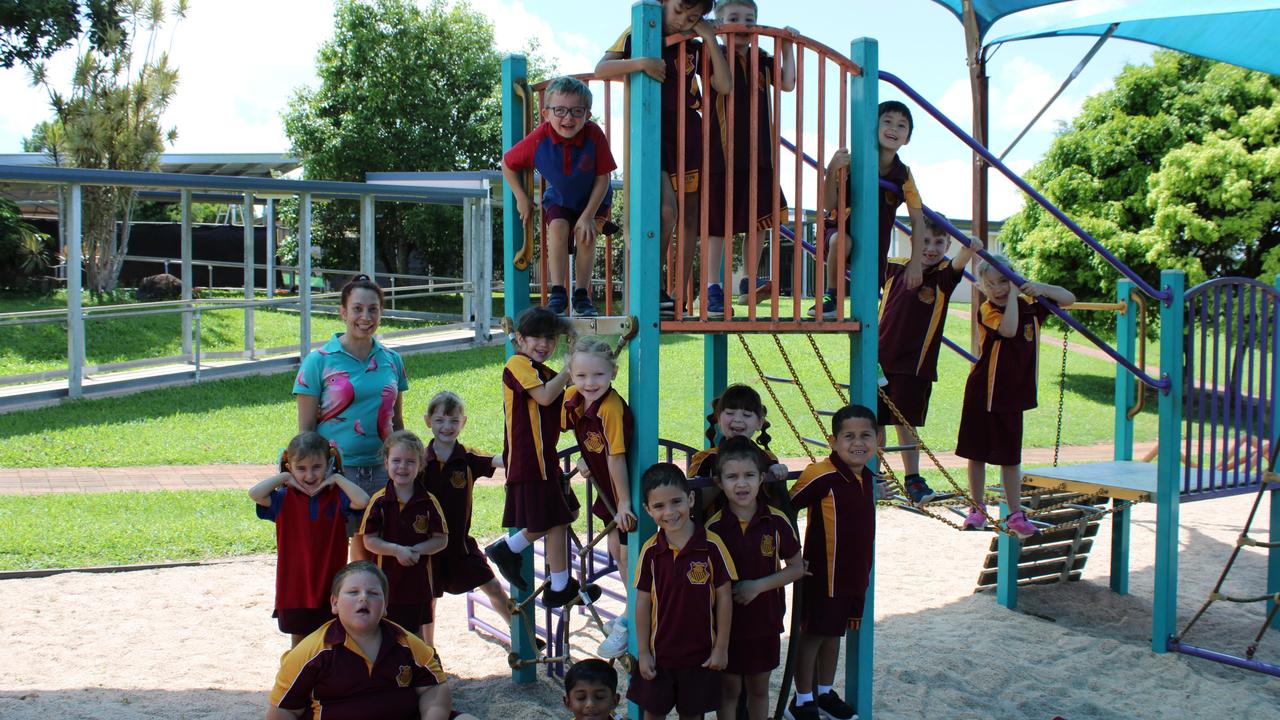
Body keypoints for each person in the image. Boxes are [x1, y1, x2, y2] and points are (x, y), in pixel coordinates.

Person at [596, 0, 731, 316]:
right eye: (680, 11)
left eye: (694, 17)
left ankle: (676, 296)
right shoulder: (640, 33)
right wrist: (640, 63)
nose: (684, 21)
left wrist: (709, 38)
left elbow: (723, 85)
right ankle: (651, 285)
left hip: (687, 134)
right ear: (662, 4)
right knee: (667, 209)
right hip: (651, 133)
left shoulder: (694, 46)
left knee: (691, 214)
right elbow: (601, 68)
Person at [485, 306, 599, 609]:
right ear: (521, 339)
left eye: (550, 339)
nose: (544, 345)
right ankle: (509, 549)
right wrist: (569, 368)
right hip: (528, 459)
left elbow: (561, 411)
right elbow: (546, 397)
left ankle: (559, 585)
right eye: (536, 337)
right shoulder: (517, 364)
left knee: (567, 514)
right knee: (555, 518)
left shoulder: (545, 372)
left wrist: (588, 379)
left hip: (545, 459)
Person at [955, 253, 1075, 539]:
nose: (1000, 288)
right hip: (984, 392)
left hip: (1012, 396)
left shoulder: (1030, 308)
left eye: (1005, 281)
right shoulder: (987, 310)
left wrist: (1039, 288)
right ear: (983, 288)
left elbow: (1068, 297)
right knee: (977, 453)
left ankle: (1015, 513)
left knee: (1011, 457)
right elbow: (1008, 330)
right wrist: (1013, 298)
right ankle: (978, 508)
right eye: (993, 284)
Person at [295, 273, 408, 562]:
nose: (365, 316)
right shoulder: (318, 361)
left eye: (373, 309)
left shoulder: (392, 359)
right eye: (357, 308)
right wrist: (312, 477)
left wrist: (407, 464)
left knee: (373, 549)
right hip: (337, 472)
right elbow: (306, 433)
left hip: (384, 470)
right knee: (329, 552)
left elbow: (397, 422)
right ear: (343, 312)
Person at [877, 213, 983, 504]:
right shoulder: (895, 268)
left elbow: (961, 260)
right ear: (912, 240)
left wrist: (969, 247)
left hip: (915, 365)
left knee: (905, 424)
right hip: (878, 359)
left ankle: (913, 479)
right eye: (924, 240)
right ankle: (872, 476)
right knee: (874, 422)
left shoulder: (944, 275)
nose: (931, 248)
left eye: (939, 242)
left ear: (948, 244)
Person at [267, 561, 457, 720]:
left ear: (385, 607)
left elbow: (434, 687)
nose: (363, 598)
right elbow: (283, 709)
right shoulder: (312, 652)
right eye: (353, 592)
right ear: (335, 604)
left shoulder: (405, 642)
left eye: (374, 593)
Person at [784, 405, 880, 720]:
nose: (858, 443)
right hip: (823, 574)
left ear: (877, 438)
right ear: (833, 440)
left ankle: (824, 692)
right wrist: (792, 556)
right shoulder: (821, 473)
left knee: (834, 634)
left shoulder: (866, 475)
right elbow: (786, 509)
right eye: (849, 436)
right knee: (812, 634)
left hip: (853, 575)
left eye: (865, 435)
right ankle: (803, 698)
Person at [705, 436, 805, 720]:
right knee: (729, 690)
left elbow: (797, 568)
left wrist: (757, 587)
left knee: (759, 689)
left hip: (766, 620)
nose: (741, 484)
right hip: (727, 626)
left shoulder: (775, 520)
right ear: (719, 482)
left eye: (749, 475)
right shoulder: (713, 528)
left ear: (762, 478)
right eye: (732, 477)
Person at [629, 462, 737, 720]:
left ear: (690, 499)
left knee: (693, 715)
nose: (669, 512)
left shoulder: (711, 546)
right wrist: (643, 652)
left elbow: (724, 597)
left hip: (700, 656)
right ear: (647, 510)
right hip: (659, 655)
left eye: (676, 501)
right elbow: (643, 603)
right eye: (658, 506)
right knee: (653, 714)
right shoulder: (651, 551)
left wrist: (721, 647)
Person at [502, 76, 616, 318]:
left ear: (587, 114)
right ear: (546, 113)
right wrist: (521, 197)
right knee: (558, 227)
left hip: (593, 198)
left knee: (586, 235)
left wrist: (587, 216)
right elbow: (508, 163)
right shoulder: (540, 138)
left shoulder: (594, 135)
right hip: (561, 197)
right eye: (560, 110)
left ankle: (582, 295)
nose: (568, 118)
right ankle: (558, 292)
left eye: (577, 111)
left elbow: (603, 177)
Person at [707, 0, 796, 311]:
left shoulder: (761, 58)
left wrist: (786, 48)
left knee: (759, 220)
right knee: (717, 224)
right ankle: (712, 286)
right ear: (719, 26)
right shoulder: (711, 55)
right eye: (734, 18)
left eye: (749, 19)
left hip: (760, 154)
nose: (743, 25)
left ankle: (749, 279)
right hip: (721, 154)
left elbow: (787, 83)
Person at [249, 431, 371, 647]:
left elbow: (363, 500)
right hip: (295, 585)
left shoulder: (336, 497)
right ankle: (298, 680)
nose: (310, 475)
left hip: (330, 582)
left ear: (328, 464)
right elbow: (255, 493)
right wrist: (285, 478)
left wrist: (337, 478)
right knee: (299, 641)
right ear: (290, 467)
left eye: (317, 467)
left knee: (330, 639)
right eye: (301, 469)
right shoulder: (283, 499)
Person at [810, 101, 927, 319]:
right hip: (838, 233)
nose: (894, 128)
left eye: (902, 125)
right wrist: (832, 169)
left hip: (874, 246)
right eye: (888, 122)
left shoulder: (904, 175)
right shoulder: (854, 161)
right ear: (875, 128)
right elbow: (828, 205)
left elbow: (918, 221)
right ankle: (832, 296)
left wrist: (915, 263)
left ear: (908, 138)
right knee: (842, 241)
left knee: (867, 314)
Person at [560, 336, 637, 658]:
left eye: (598, 375)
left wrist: (623, 503)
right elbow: (579, 436)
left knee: (627, 555)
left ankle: (634, 617)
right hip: (607, 491)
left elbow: (615, 457)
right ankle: (633, 613)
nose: (589, 383)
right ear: (571, 375)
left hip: (623, 490)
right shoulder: (574, 398)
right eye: (581, 376)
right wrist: (583, 458)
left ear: (613, 373)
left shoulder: (611, 408)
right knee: (616, 553)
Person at [418, 391, 510, 646]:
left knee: (493, 587)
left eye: (453, 421)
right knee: (427, 602)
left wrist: (521, 451)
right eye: (439, 420)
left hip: (460, 544)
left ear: (464, 422)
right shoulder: (419, 462)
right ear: (428, 421)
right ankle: (429, 652)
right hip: (428, 547)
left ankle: (522, 636)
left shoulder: (467, 458)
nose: (446, 427)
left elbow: (500, 460)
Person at [359, 431, 448, 641]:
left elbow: (441, 539)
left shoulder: (428, 501)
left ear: (420, 465)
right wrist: (396, 550)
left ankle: (417, 670)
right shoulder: (379, 501)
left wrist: (415, 551)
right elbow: (369, 540)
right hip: (385, 584)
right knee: (384, 633)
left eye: (410, 462)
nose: (402, 467)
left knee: (415, 635)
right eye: (396, 461)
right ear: (386, 462)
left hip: (418, 583)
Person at [689, 384, 789, 516]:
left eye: (747, 415)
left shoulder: (768, 459)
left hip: (760, 533)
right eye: (730, 413)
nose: (737, 419)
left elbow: (779, 506)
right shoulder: (705, 458)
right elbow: (691, 505)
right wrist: (721, 480)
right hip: (715, 533)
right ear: (718, 419)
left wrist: (777, 475)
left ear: (760, 422)